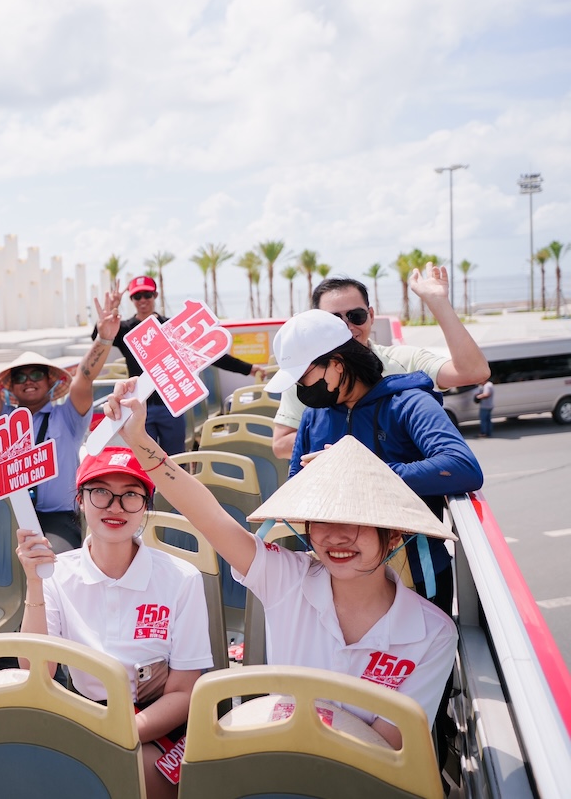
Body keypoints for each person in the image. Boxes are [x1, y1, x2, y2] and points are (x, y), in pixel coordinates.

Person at [106, 386, 457, 751]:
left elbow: (388, 749)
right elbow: (208, 516)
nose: (337, 538)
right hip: (274, 763)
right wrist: (138, 439)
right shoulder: (286, 577)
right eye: (322, 520)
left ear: (394, 536)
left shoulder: (432, 634)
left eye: (358, 523)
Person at [17, 447, 212, 798]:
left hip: (155, 722)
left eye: (131, 495)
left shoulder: (181, 578)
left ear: (146, 505)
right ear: (81, 499)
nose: (115, 506)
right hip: (84, 714)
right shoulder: (57, 574)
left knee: (128, 777)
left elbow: (183, 692)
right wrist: (35, 581)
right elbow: (36, 669)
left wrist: (118, 731)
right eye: (101, 492)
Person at [263, 309, 483, 611]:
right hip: (337, 575)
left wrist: (355, 470)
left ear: (337, 365)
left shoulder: (408, 402)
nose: (300, 388)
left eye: (303, 376)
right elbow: (293, 487)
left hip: (415, 575)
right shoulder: (313, 417)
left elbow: (462, 467)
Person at [271, 269, 489, 458]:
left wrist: (439, 303)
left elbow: (474, 372)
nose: (347, 327)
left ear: (371, 315)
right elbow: (281, 445)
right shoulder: (305, 376)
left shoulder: (405, 361)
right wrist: (339, 449)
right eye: (334, 320)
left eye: (356, 315)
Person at [0, 290, 123, 553]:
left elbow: (83, 379)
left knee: (51, 563)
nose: (28, 381)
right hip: (9, 516)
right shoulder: (3, 419)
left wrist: (104, 337)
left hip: (60, 517)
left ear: (50, 381)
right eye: (20, 377)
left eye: (37, 374)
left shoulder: (68, 417)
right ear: (11, 387)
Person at [96, 275, 266, 455]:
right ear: (131, 299)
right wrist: (111, 308)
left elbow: (208, 354)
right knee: (145, 460)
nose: (143, 300)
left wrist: (249, 369)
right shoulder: (124, 329)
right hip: (139, 406)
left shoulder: (171, 327)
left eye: (147, 294)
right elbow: (99, 337)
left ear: (155, 295)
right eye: (137, 296)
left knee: (177, 459)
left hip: (170, 406)